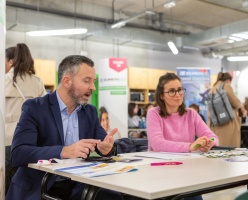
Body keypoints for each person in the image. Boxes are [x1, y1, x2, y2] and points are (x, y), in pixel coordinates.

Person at [7, 55, 123, 200]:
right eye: (87, 81)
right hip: (41, 185)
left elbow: (102, 143)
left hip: (77, 183)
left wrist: (107, 148)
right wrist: (64, 151)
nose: (93, 87)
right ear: (67, 81)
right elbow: (18, 153)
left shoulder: (90, 112)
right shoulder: (35, 108)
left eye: (93, 82)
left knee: (114, 197)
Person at [5, 43, 47, 194]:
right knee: (25, 183)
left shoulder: (3, 81)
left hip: (7, 141)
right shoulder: (37, 82)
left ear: (11, 61)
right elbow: (45, 112)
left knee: (6, 184)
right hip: (30, 143)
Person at [147, 72, 218, 153]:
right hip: (159, 163)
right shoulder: (153, 113)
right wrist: (189, 147)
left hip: (186, 162)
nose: (177, 95)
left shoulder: (191, 114)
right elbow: (157, 144)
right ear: (161, 96)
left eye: (179, 90)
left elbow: (213, 137)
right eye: (172, 91)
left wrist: (210, 143)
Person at [209, 72, 245, 148]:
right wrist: (241, 106)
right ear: (228, 80)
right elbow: (235, 102)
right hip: (228, 123)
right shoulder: (226, 86)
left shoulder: (212, 88)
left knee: (220, 148)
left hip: (216, 124)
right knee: (231, 149)